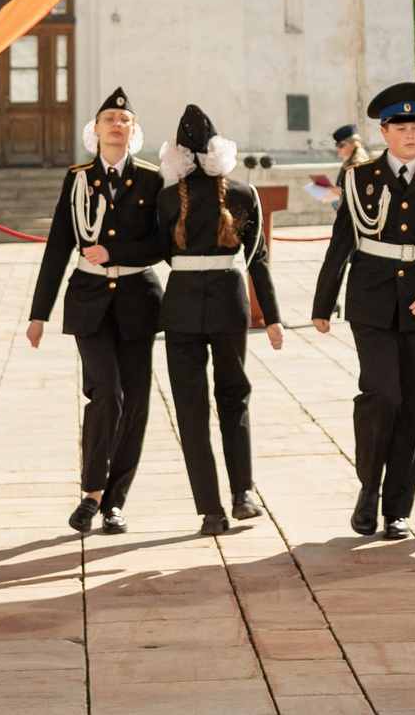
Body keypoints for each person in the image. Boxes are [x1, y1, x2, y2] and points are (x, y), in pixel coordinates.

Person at [312, 81, 415, 539]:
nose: (412, 134)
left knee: (414, 407)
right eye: (402, 126)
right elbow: (342, 242)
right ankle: (368, 489)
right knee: (384, 397)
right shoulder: (359, 179)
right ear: (384, 132)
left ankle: (397, 508)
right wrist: (323, 302)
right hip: (372, 302)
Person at [28, 87, 165, 535]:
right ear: (96, 129)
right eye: (108, 118)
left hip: (137, 301)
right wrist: (38, 313)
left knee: (136, 405)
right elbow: (57, 246)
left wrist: (115, 249)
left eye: (124, 120)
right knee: (107, 393)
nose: (116, 125)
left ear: (133, 129)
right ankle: (92, 494)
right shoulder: (78, 178)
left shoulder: (150, 179)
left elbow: (161, 245)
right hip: (89, 302)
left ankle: (115, 503)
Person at [158, 104, 282, 535]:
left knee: (192, 409)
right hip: (231, 306)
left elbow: (158, 250)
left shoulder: (167, 197)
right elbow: (258, 260)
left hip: (181, 310)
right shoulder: (246, 193)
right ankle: (242, 494)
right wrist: (272, 318)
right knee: (235, 398)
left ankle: (211, 510)